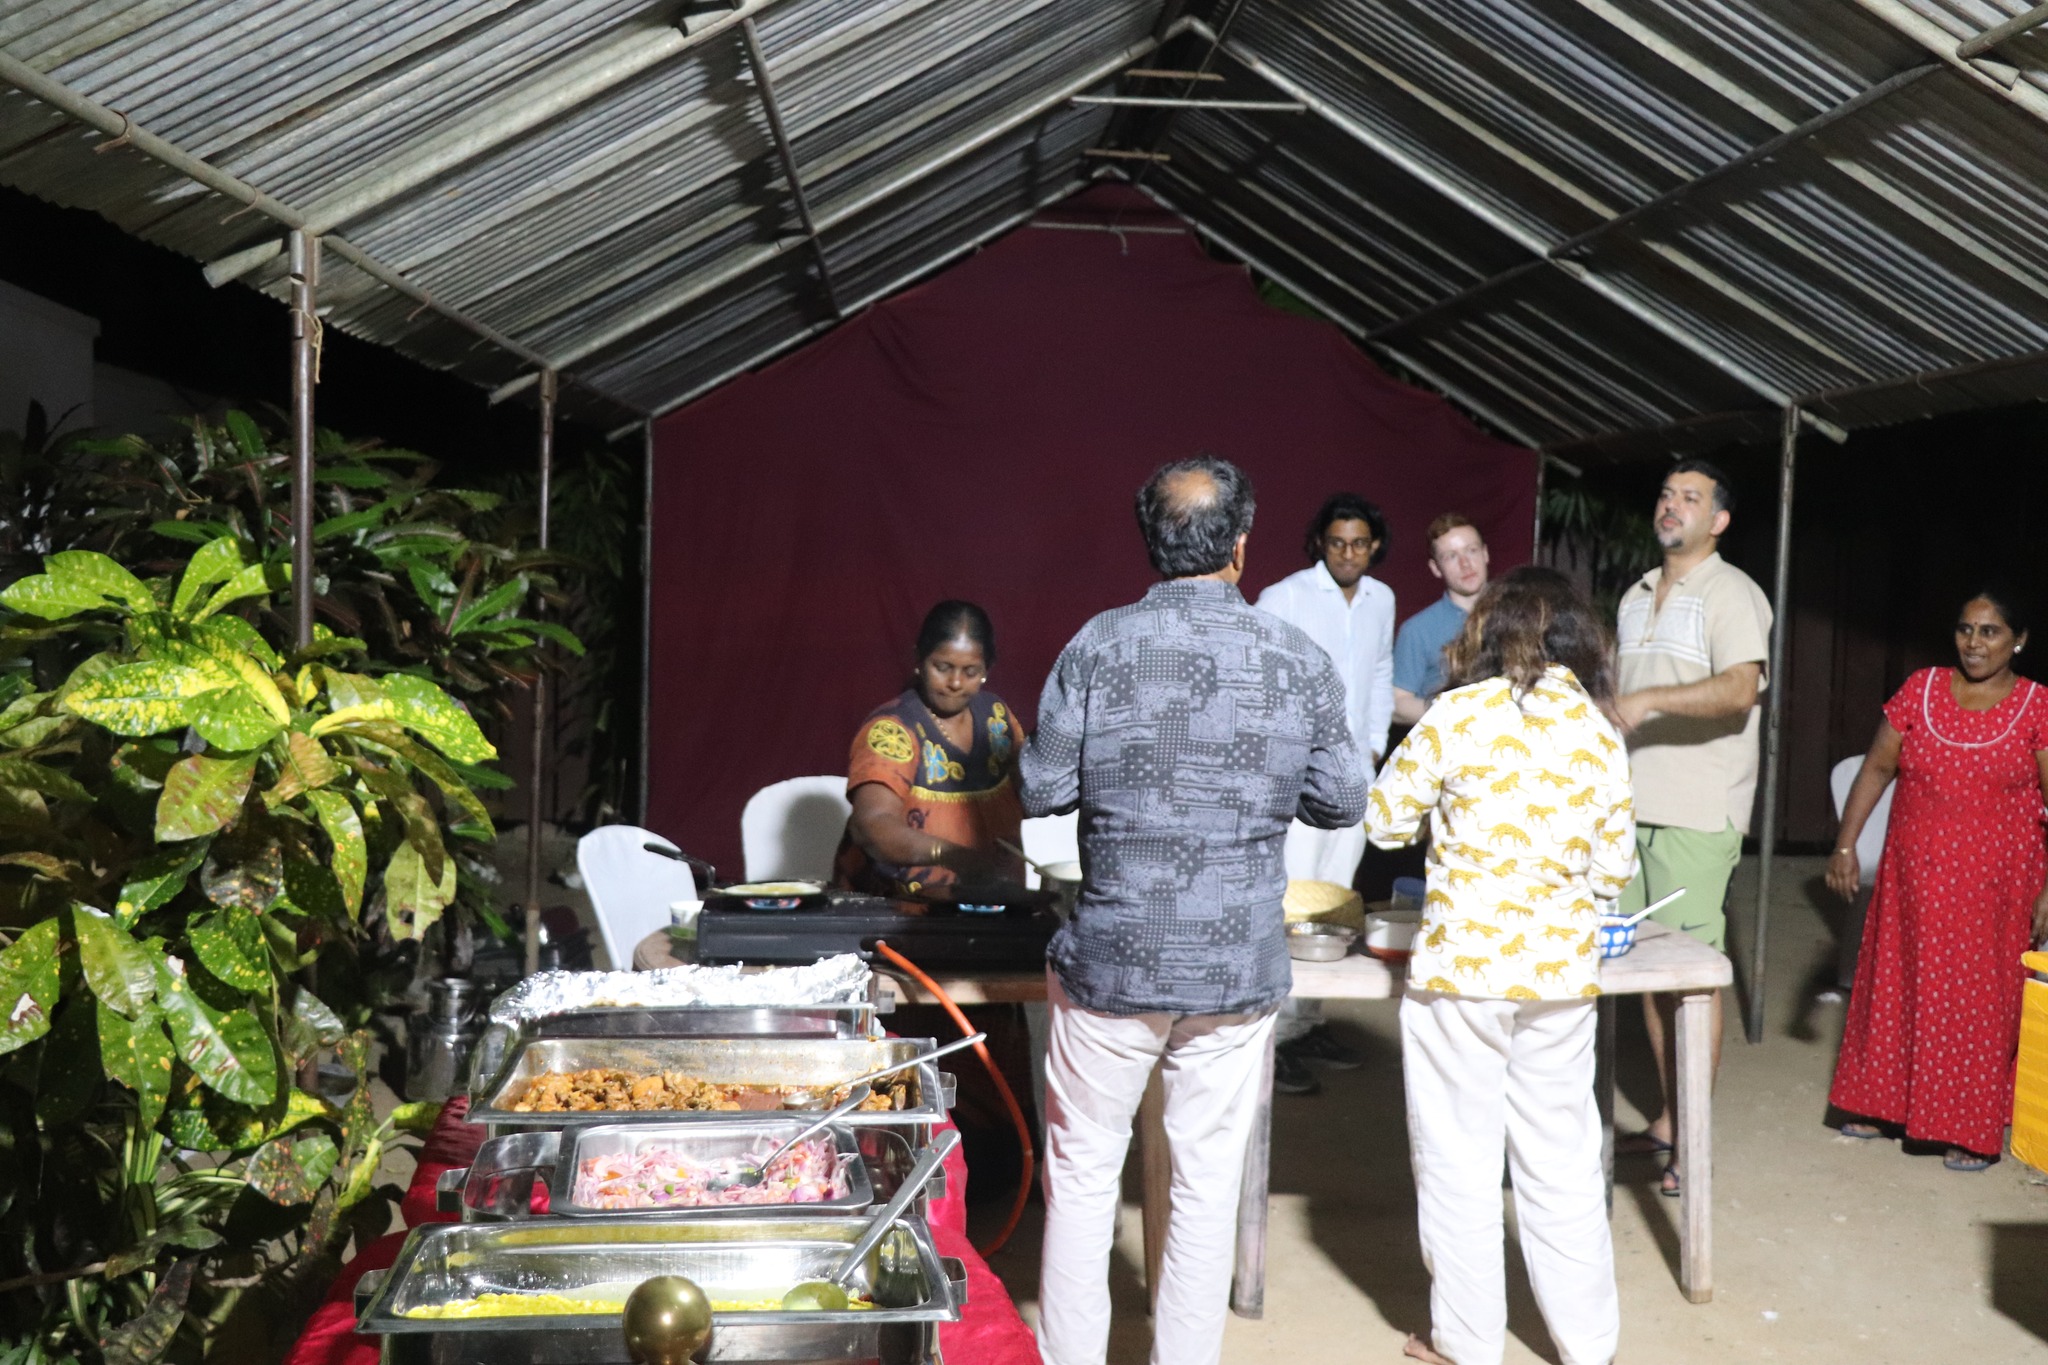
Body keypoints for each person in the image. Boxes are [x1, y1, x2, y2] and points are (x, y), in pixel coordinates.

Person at [1023, 455, 1368, 1365]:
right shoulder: (1297, 656)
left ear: (1151, 542)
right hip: (1234, 967)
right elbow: (1342, 799)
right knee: (1207, 1187)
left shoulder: (1098, 643)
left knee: (1083, 1179)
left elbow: (1041, 787)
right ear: (1241, 546)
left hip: (1112, 964)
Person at [1367, 566, 1635, 1365]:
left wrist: (1450, 819)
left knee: (1459, 1160)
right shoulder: (1599, 731)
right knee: (1563, 1161)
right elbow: (1613, 870)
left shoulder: (1455, 714)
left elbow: (1384, 823)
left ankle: (1468, 1344)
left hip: (1461, 976)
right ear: (1579, 639)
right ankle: (1590, 1346)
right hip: (1560, 979)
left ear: (1485, 632)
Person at [1826, 584, 2048, 1172]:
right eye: (1965, 629)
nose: (1974, 643)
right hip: (1913, 880)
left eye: (1990, 631)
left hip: (1994, 890)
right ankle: (1880, 1106)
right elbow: (1878, 767)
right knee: (1897, 983)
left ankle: (1969, 1127)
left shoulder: (2037, 706)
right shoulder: (1921, 689)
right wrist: (1845, 844)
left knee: (1978, 1004)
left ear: (2019, 640)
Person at [1610, 458, 1770, 1197]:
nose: (1672, 506)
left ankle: (1694, 1141)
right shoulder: (1636, 593)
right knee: (1649, 972)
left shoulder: (1732, 591)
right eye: (1667, 494)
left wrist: (1650, 701)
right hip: (1630, 805)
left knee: (1692, 979)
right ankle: (1673, 1119)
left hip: (1698, 809)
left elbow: (1740, 690)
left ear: (1719, 520)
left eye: (1691, 498)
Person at [1255, 492, 1394, 1092]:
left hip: (1354, 776)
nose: (1348, 554)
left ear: (1374, 546)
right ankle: (1274, 1037)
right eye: (1337, 543)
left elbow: (1380, 671)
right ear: (1320, 543)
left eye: (1359, 543)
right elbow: (1253, 674)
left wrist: (1374, 746)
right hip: (1298, 778)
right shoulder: (1285, 597)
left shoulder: (1381, 599)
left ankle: (1307, 1023)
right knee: (1292, 901)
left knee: (1333, 903)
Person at [832, 599, 1025, 895]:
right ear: (919, 660)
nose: (955, 682)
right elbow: (870, 825)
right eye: (942, 667)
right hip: (902, 907)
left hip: (989, 897)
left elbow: (1030, 791)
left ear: (987, 668)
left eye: (971, 671)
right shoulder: (894, 729)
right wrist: (951, 855)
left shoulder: (997, 718)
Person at [1393, 513, 1491, 724]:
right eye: (1451, 556)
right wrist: (1453, 716)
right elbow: (1398, 704)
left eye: (1471, 550)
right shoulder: (1417, 630)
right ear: (1435, 568)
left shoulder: (1519, 615)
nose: (1465, 564)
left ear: (1485, 553)